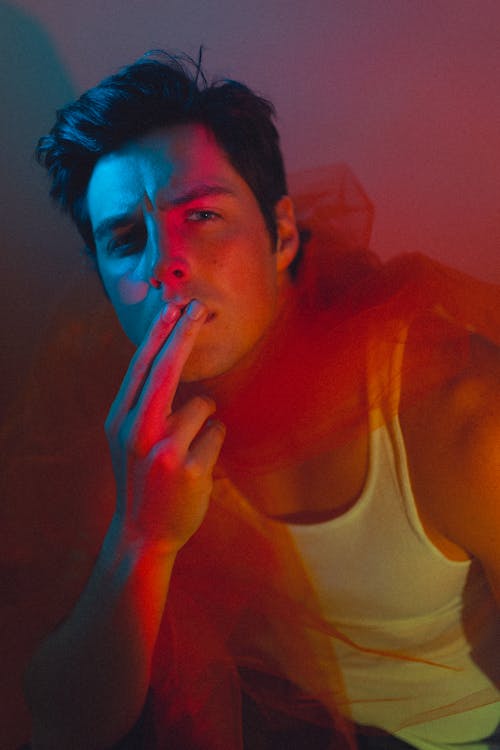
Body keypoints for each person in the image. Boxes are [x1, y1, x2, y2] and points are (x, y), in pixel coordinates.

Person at [23, 51, 499, 749]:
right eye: (126, 238)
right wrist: (141, 536)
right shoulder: (126, 423)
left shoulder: (455, 406)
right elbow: (67, 725)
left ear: (281, 235)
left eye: (203, 215)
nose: (165, 262)